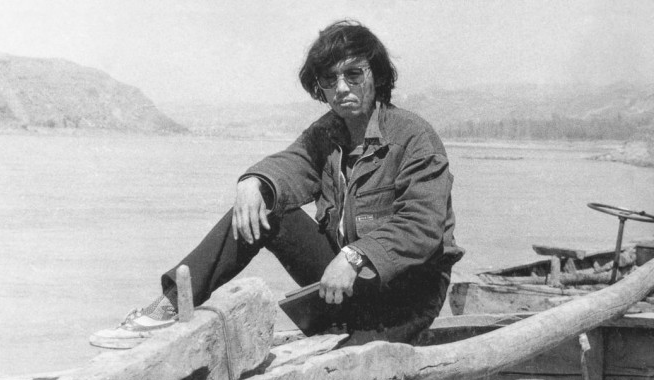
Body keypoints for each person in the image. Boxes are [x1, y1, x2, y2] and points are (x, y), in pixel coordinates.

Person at [91, 19, 463, 349]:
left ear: (376, 76)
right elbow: (289, 165)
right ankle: (170, 305)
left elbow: (422, 226)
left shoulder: (414, 137)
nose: (341, 88)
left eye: (353, 74)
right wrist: (253, 182)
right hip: (348, 286)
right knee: (262, 208)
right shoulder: (326, 134)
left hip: (407, 299)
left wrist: (355, 255)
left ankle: (350, 332)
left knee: (344, 367)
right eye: (329, 79)